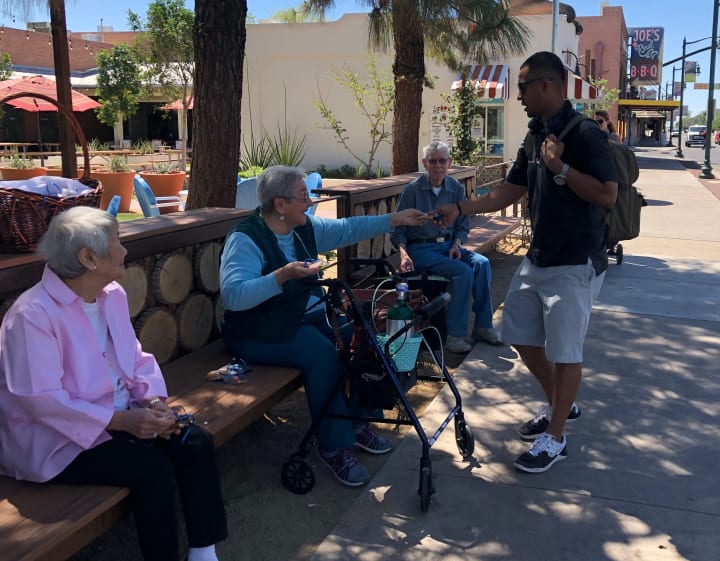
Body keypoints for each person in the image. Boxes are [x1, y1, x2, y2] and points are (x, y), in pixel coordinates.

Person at [0, 207, 228, 561]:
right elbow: (40, 401)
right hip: (58, 439)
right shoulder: (32, 315)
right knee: (151, 470)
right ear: (88, 258)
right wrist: (124, 422)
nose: (124, 250)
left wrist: (153, 402)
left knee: (194, 441)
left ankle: (203, 552)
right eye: (116, 242)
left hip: (121, 417)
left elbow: (135, 359)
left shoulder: (112, 295)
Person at [435, 51, 618, 473]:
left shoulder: (585, 134)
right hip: (539, 257)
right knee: (518, 333)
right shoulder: (535, 134)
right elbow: (507, 193)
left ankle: (556, 437)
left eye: (523, 87)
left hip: (575, 261)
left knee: (566, 351)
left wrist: (561, 166)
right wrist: (459, 209)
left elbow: (608, 195)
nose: (517, 96)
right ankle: (559, 406)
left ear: (548, 86)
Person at [219, 165, 428, 487]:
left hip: (300, 316)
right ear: (279, 204)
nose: (311, 202)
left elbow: (346, 228)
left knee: (357, 339)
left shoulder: (302, 226)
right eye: (304, 197)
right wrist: (281, 276)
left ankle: (356, 421)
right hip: (255, 329)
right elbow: (234, 297)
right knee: (322, 354)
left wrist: (394, 219)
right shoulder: (245, 238)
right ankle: (333, 446)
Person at [390, 141, 501, 354]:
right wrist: (403, 254)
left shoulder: (455, 188)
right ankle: (455, 336)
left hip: (449, 246)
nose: (438, 165)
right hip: (421, 250)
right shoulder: (412, 191)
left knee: (482, 264)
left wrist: (458, 244)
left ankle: (482, 326)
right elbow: (397, 230)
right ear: (425, 163)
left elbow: (462, 225)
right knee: (463, 272)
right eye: (433, 161)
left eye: (443, 161)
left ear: (449, 162)